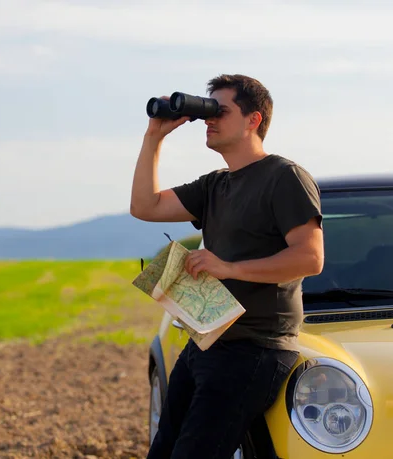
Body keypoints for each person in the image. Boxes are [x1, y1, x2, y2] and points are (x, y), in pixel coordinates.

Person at [130, 74, 324, 459]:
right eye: (206, 111)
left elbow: (310, 258)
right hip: (205, 344)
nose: (209, 119)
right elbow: (144, 206)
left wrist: (229, 268)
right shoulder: (215, 185)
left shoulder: (284, 177)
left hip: (255, 350)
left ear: (254, 120)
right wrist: (155, 135)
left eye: (220, 111)